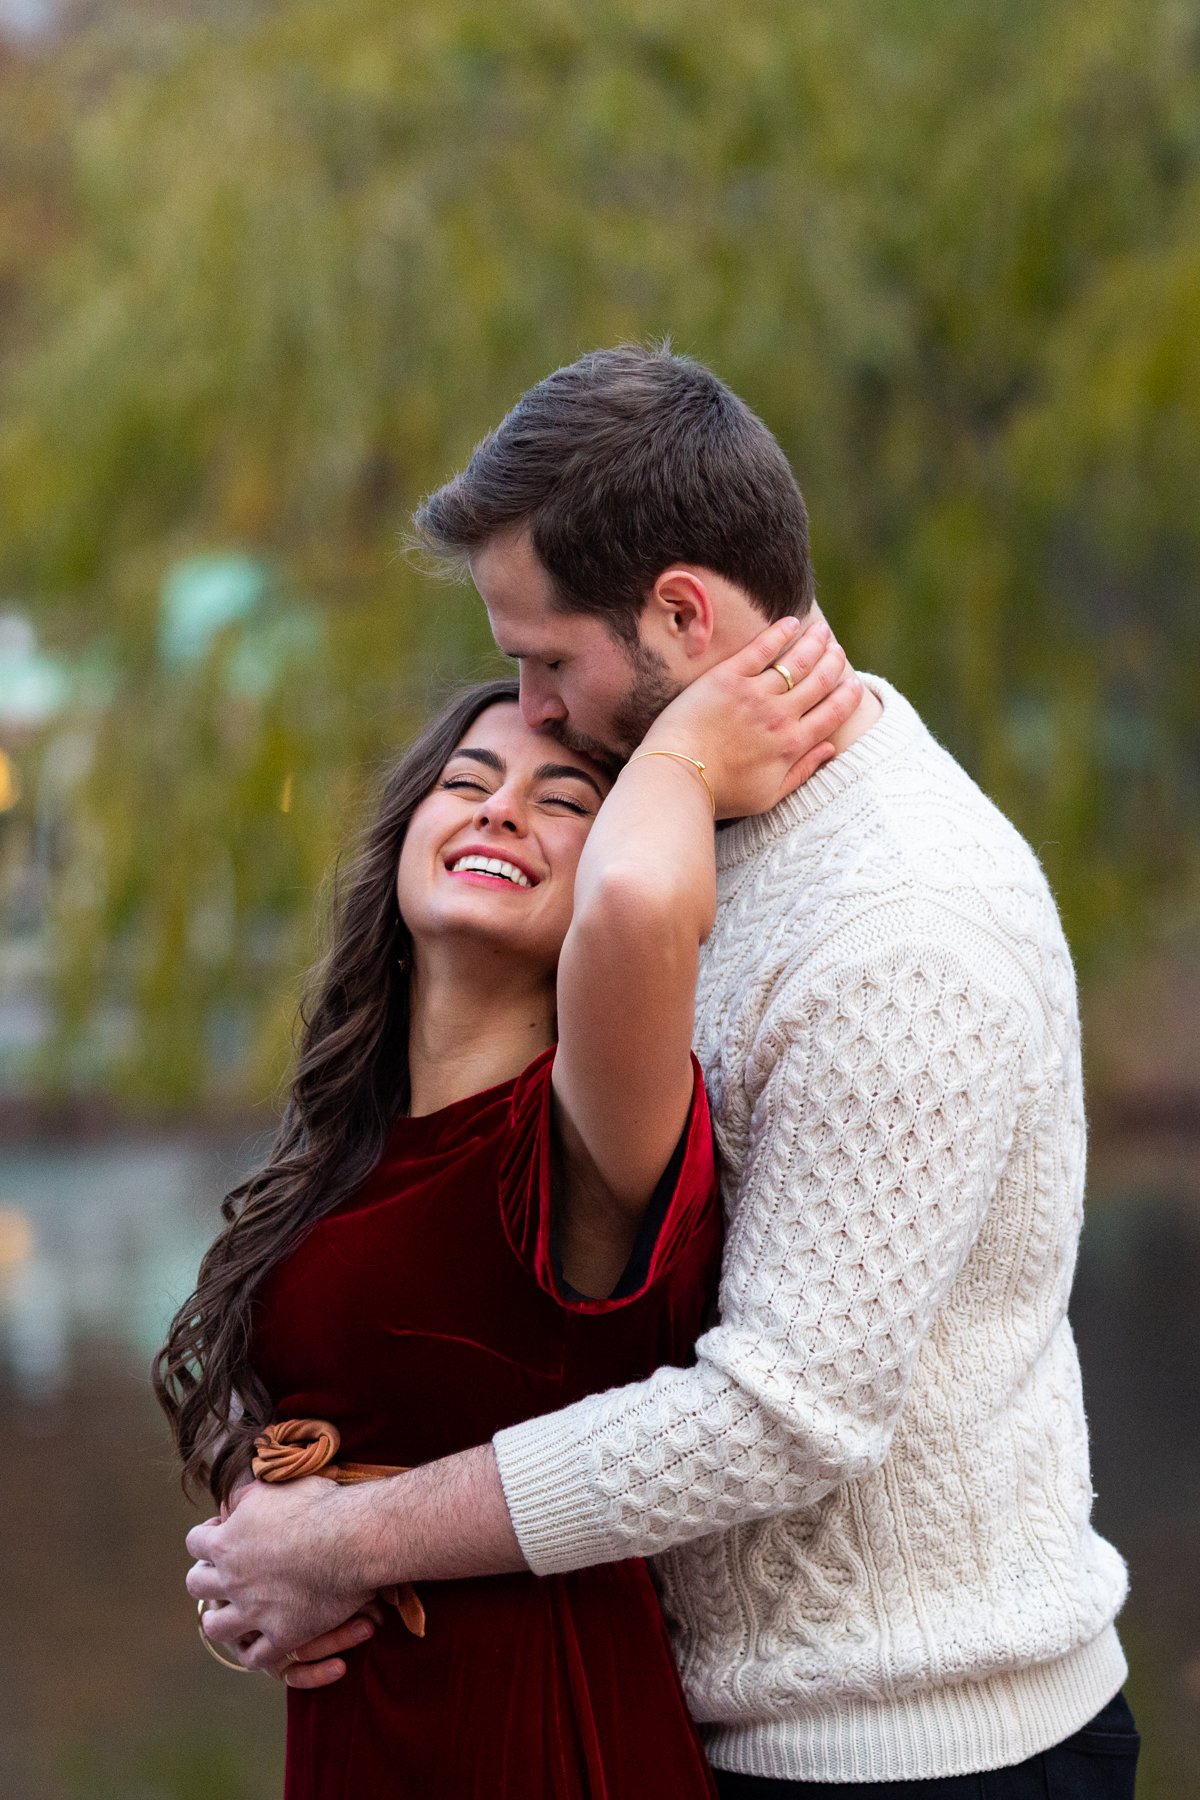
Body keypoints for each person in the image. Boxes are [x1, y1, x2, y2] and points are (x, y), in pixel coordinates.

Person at [185, 347, 1138, 1798]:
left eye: (549, 662)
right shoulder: (681, 808)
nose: (532, 713)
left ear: (683, 613)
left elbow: (783, 1415)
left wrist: (353, 1542)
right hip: (679, 1718)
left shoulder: (903, 928)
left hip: (911, 1752)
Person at [160, 632, 853, 1798]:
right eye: (467, 786)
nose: (499, 814)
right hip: (356, 1738)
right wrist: (254, 1548)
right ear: (403, 842)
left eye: (565, 800)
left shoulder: (589, 1127)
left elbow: (640, 908)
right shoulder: (346, 1140)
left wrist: (681, 750)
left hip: (538, 1730)